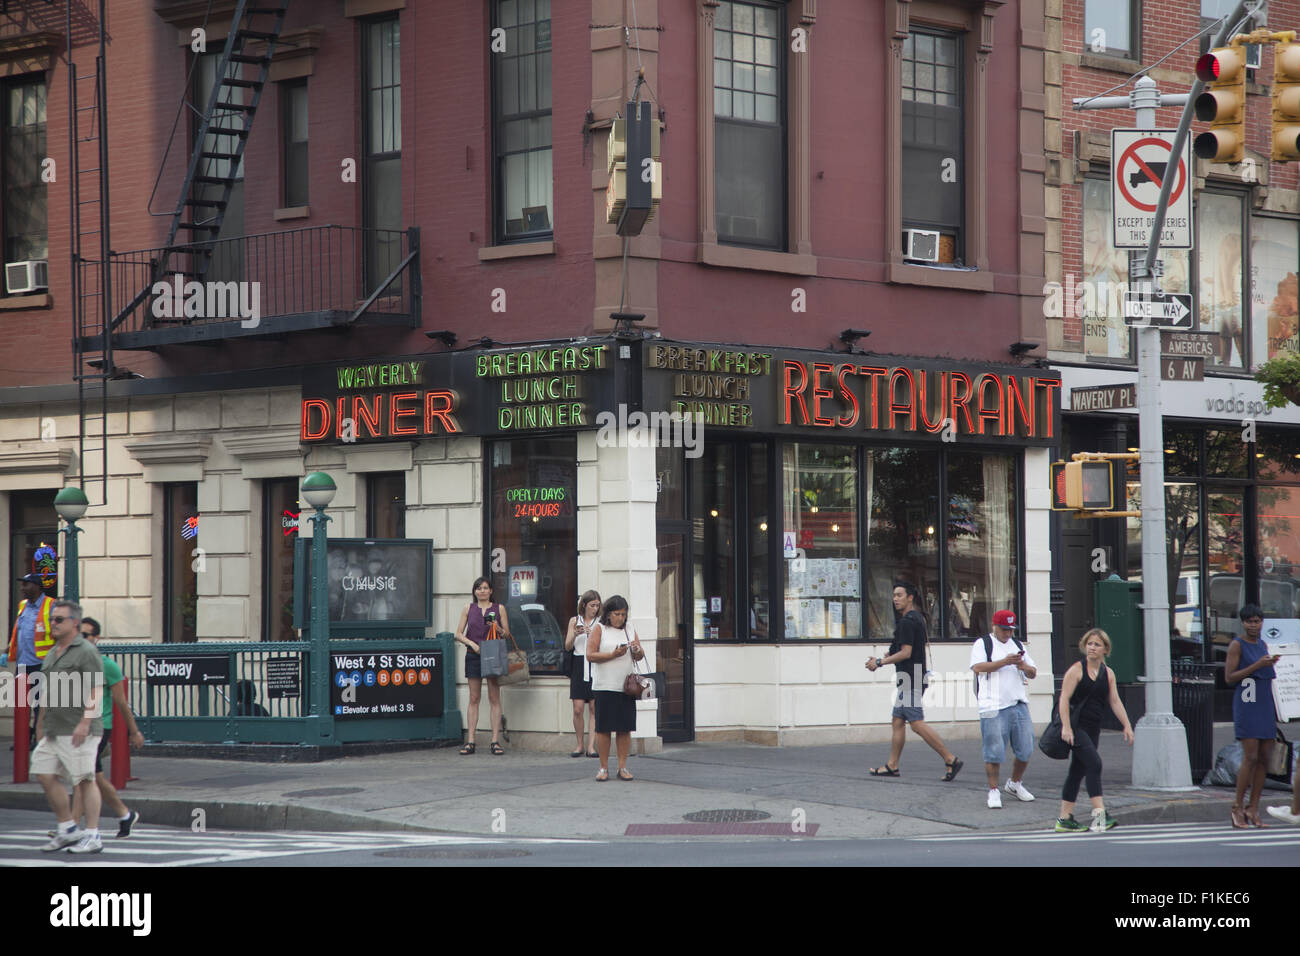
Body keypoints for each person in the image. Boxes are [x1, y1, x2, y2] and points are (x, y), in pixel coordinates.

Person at [865, 581, 962, 782]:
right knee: (898, 721)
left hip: (911, 679)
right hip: (910, 677)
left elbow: (906, 652)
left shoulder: (908, 621)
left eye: (900, 595)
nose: (895, 599)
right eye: (894, 595)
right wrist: (892, 652)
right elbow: (907, 648)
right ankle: (892, 765)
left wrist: (880, 662)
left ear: (910, 597)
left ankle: (950, 758)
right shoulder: (916, 618)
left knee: (916, 724)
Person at [32, 600, 105, 854]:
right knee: (43, 772)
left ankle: (93, 834)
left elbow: (96, 688)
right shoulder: (53, 652)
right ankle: (68, 829)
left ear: (75, 622)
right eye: (52, 619)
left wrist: (85, 722)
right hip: (54, 728)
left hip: (78, 729)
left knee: (85, 780)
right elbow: (47, 691)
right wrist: (39, 724)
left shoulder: (85, 651)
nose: (53, 623)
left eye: (59, 619)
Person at [66, 617, 144, 838]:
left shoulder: (107, 665)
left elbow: (121, 702)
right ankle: (124, 815)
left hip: (100, 727)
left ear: (96, 638)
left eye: (85, 635)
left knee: (83, 775)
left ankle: (71, 826)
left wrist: (134, 731)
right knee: (94, 777)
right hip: (81, 727)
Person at [1055, 628, 1134, 833]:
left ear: (1105, 649)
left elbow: (1114, 701)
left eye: (1097, 644)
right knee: (1095, 763)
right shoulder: (1076, 670)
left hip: (1093, 728)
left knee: (1077, 771)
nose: (1092, 647)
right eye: (1089, 643)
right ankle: (1100, 814)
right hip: (1076, 727)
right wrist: (1066, 727)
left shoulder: (1108, 674)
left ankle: (1064, 819)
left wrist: (1127, 724)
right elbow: (1063, 698)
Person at [969, 609, 1037, 808]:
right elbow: (978, 668)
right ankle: (993, 790)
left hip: (1018, 702)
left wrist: (1023, 665)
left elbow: (1033, 672)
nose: (1007, 634)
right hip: (992, 704)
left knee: (1026, 748)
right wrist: (1004, 662)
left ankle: (1015, 783)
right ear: (995, 626)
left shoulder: (1017, 645)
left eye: (1010, 630)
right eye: (1004, 629)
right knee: (993, 751)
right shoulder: (983, 644)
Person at [1224, 604, 1280, 829]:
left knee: (1266, 756)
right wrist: (1258, 664)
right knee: (1250, 756)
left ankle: (1253, 807)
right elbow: (1230, 677)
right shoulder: (1237, 645)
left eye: (1257, 621)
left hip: (1265, 702)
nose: (1254, 625)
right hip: (1247, 702)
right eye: (1250, 621)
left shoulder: (1263, 644)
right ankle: (1237, 806)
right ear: (1243, 623)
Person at [586, 595, 643, 782]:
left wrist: (636, 650)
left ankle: (622, 766)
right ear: (608, 614)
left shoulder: (629, 629)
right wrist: (613, 654)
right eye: (617, 614)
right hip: (604, 685)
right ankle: (603, 767)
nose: (620, 618)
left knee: (624, 728)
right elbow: (590, 655)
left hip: (626, 686)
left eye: (623, 614)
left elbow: (640, 656)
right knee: (603, 729)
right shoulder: (600, 629)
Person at [453, 577, 509, 755]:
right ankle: (470, 740)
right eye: (479, 588)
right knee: (474, 698)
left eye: (485, 588)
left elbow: (506, 633)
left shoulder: (498, 608)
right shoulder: (468, 609)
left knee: (494, 697)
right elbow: (458, 634)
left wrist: (498, 628)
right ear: (475, 591)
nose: (482, 591)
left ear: (491, 591)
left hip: (492, 654)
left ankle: (495, 741)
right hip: (474, 654)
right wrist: (472, 644)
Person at [6, 573, 56, 749]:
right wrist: (8, 649)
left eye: (26, 584)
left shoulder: (51, 605)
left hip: (40, 663)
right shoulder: (22, 606)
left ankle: (38, 738)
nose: (22, 588)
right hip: (22, 663)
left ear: (36, 586)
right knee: (21, 703)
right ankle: (23, 736)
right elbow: (19, 631)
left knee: (38, 704)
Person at [564, 590, 601, 758]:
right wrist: (576, 634)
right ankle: (579, 744)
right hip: (579, 664)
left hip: (594, 663)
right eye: (592, 605)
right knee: (578, 709)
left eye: (597, 605)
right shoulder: (575, 620)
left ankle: (591, 746)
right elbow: (567, 646)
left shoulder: (600, 623)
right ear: (584, 605)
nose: (595, 608)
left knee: (594, 707)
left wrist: (591, 635)